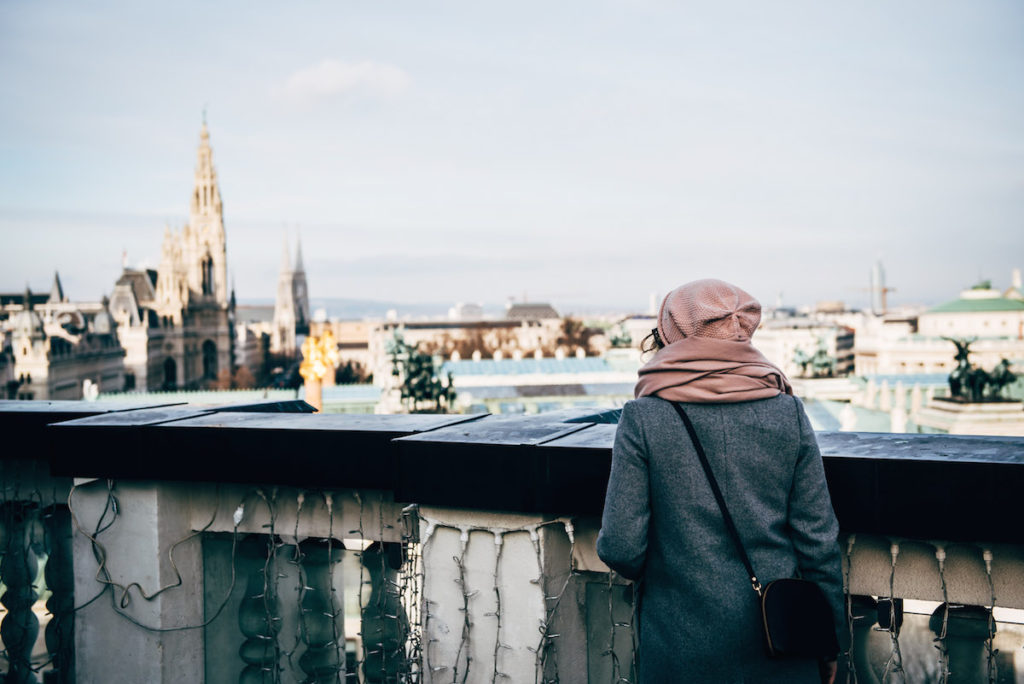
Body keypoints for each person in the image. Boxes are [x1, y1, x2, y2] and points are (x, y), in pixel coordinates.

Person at [596, 279, 845, 684]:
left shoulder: (643, 418)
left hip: (680, 645)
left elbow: (622, 547)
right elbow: (818, 538)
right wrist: (829, 639)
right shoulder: (788, 411)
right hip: (781, 639)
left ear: (672, 332)